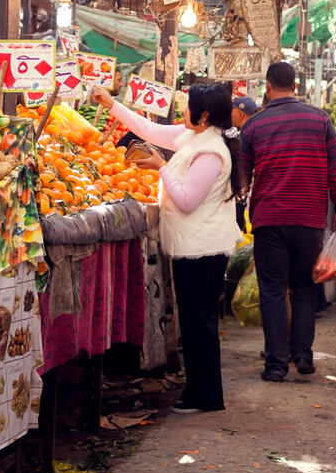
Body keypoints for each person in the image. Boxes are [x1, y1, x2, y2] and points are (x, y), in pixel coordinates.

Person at [92, 83, 242, 414]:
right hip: (191, 246)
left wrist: (162, 167)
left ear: (204, 116)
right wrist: (112, 104)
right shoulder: (195, 137)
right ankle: (198, 390)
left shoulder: (211, 152)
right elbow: (151, 129)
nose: (182, 113)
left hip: (203, 250)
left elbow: (187, 201)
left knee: (199, 323)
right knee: (192, 322)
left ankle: (207, 396)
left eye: (188, 108)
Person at [240, 62, 336, 383]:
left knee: (272, 292)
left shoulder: (254, 125)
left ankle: (276, 365)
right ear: (295, 84)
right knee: (304, 287)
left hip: (269, 219)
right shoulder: (320, 119)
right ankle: (302, 355)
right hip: (309, 219)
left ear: (268, 86)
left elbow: (242, 175)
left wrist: (240, 197)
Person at [231, 97, 258, 231]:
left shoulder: (245, 135)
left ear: (241, 113)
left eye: (232, 110)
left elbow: (243, 167)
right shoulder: (253, 131)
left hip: (246, 197)